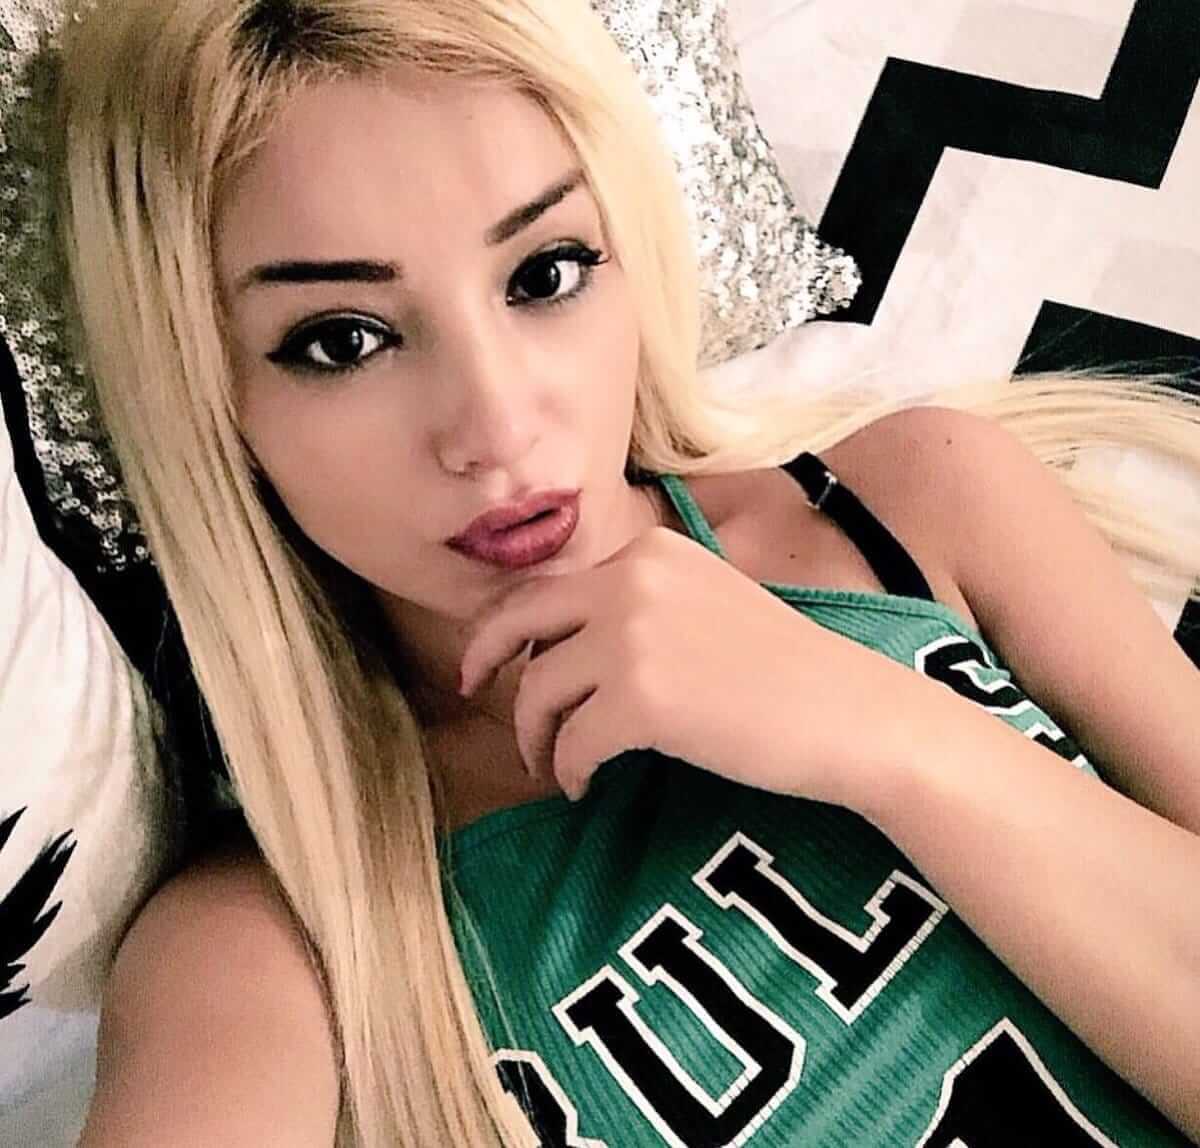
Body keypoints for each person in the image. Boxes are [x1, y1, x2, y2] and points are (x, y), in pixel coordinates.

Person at [50, 0, 1200, 1145]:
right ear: (208, 396)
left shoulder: (918, 502)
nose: (498, 426)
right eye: (344, 339)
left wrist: (889, 734)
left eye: (544, 273)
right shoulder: (268, 951)